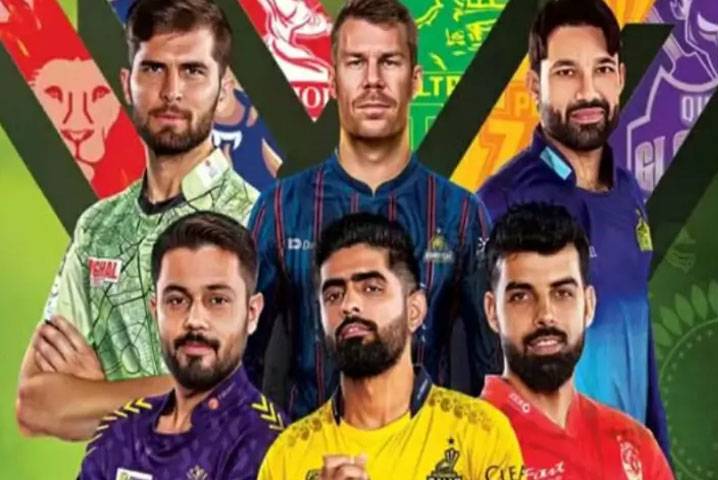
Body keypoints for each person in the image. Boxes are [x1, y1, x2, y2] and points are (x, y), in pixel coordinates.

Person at [16, 0, 258, 441]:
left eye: (192, 71)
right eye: (153, 69)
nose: (171, 91)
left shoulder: (259, 221)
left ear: (224, 90)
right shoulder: (98, 228)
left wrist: (96, 393)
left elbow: (254, 403)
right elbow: (35, 405)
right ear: (128, 83)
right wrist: (182, 394)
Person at [246, 0, 497, 419]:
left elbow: (488, 367)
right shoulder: (279, 209)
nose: (373, 80)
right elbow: (242, 358)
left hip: (428, 447)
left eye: (389, 62)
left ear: (415, 80)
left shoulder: (462, 214)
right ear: (332, 80)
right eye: (356, 62)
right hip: (308, 446)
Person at [476, 0, 669, 452]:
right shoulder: (498, 202)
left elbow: (639, 344)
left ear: (620, 78)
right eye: (566, 72)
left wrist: (659, 456)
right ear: (534, 86)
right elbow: (474, 363)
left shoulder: (629, 194)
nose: (587, 92)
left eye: (601, 70)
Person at [259, 213, 522, 479]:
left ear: (415, 310)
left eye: (371, 288)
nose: (349, 305)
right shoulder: (286, 456)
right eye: (334, 295)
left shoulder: (482, 432)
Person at [78, 212, 286, 479]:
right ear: (155, 312)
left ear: (252, 314)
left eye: (217, 300)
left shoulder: (269, 444)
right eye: (177, 301)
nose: (195, 320)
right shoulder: (120, 432)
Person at [481, 202, 673, 479]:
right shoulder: (464, 442)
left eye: (562, 293)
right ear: (492, 311)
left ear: (589, 305)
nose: (545, 315)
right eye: (521, 297)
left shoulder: (635, 444)